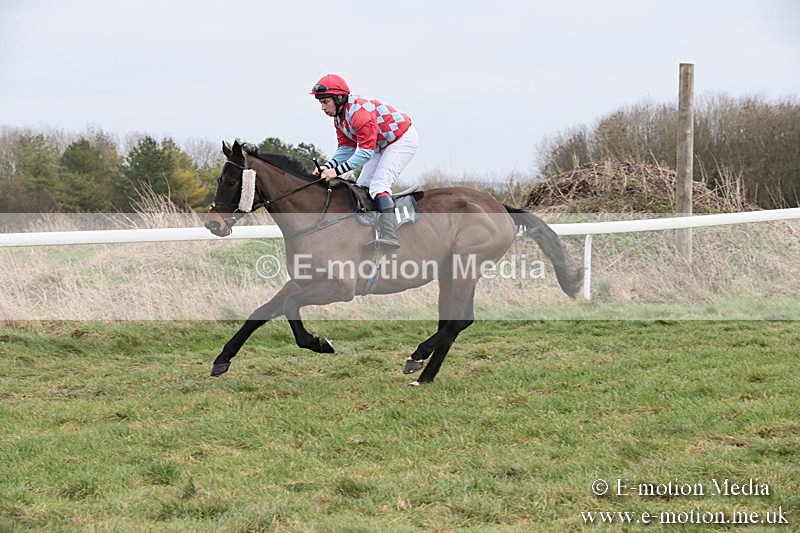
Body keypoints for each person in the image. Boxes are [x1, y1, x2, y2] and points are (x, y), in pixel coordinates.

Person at [310, 74, 419, 249]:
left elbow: (365, 154)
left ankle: (390, 236)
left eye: (325, 102)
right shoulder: (339, 117)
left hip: (401, 139)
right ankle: (371, 231)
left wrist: (336, 172)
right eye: (320, 103)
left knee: (378, 185)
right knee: (362, 186)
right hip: (380, 144)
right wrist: (328, 166)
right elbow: (346, 148)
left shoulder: (359, 115)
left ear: (339, 98)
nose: (322, 108)